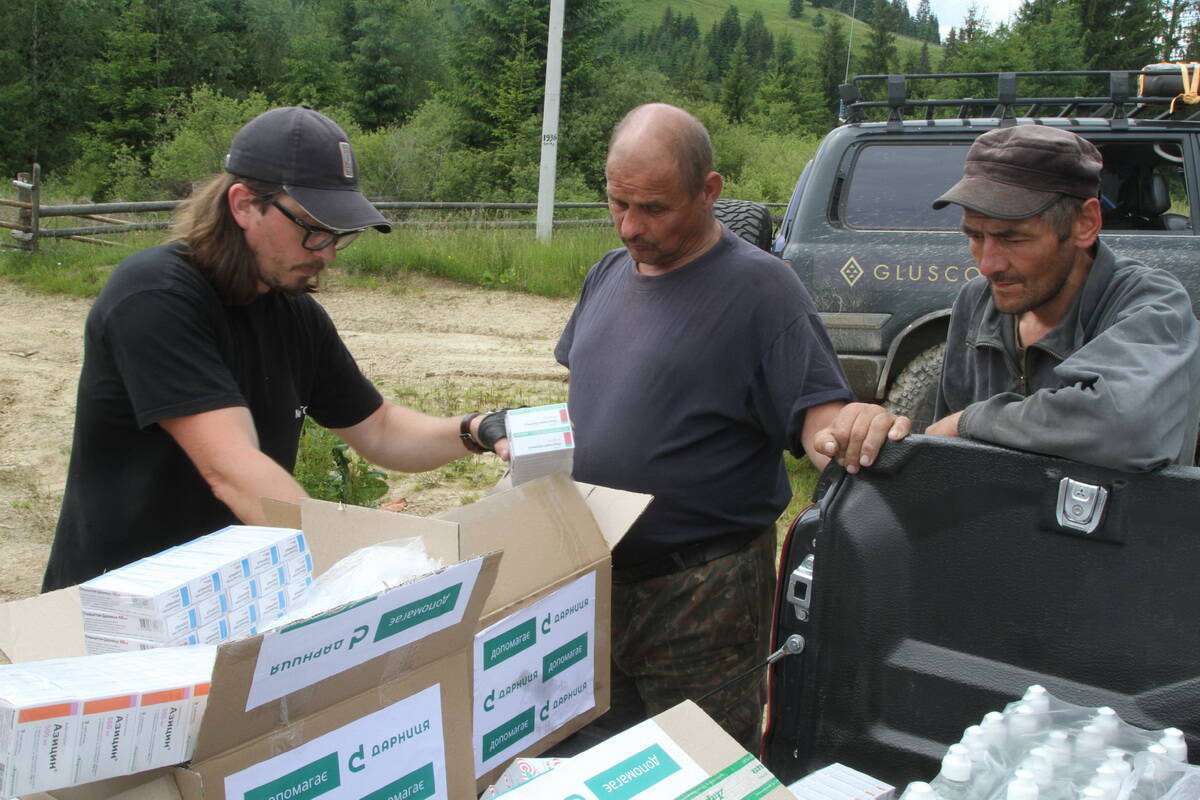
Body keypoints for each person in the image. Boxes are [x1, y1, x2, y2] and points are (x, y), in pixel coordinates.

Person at [553, 103, 909, 752]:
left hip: (702, 595)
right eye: (616, 203)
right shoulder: (606, 274)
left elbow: (818, 417)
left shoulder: (762, 290)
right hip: (595, 582)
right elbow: (591, 400)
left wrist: (853, 427)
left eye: (654, 208)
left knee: (703, 767)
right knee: (596, 762)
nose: (630, 226)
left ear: (710, 191)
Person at [43, 106, 508, 592]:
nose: (326, 251)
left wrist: (474, 429)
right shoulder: (156, 296)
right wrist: (344, 573)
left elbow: (380, 428)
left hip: (231, 593)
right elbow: (231, 468)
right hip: (120, 603)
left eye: (338, 233)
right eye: (312, 226)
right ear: (243, 205)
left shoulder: (296, 316)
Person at [928, 124, 1200, 470]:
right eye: (975, 236)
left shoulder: (1150, 305)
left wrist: (971, 421)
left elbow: (1128, 428)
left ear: (1085, 223)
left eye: (1012, 238)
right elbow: (944, 454)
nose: (987, 265)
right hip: (994, 521)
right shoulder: (977, 301)